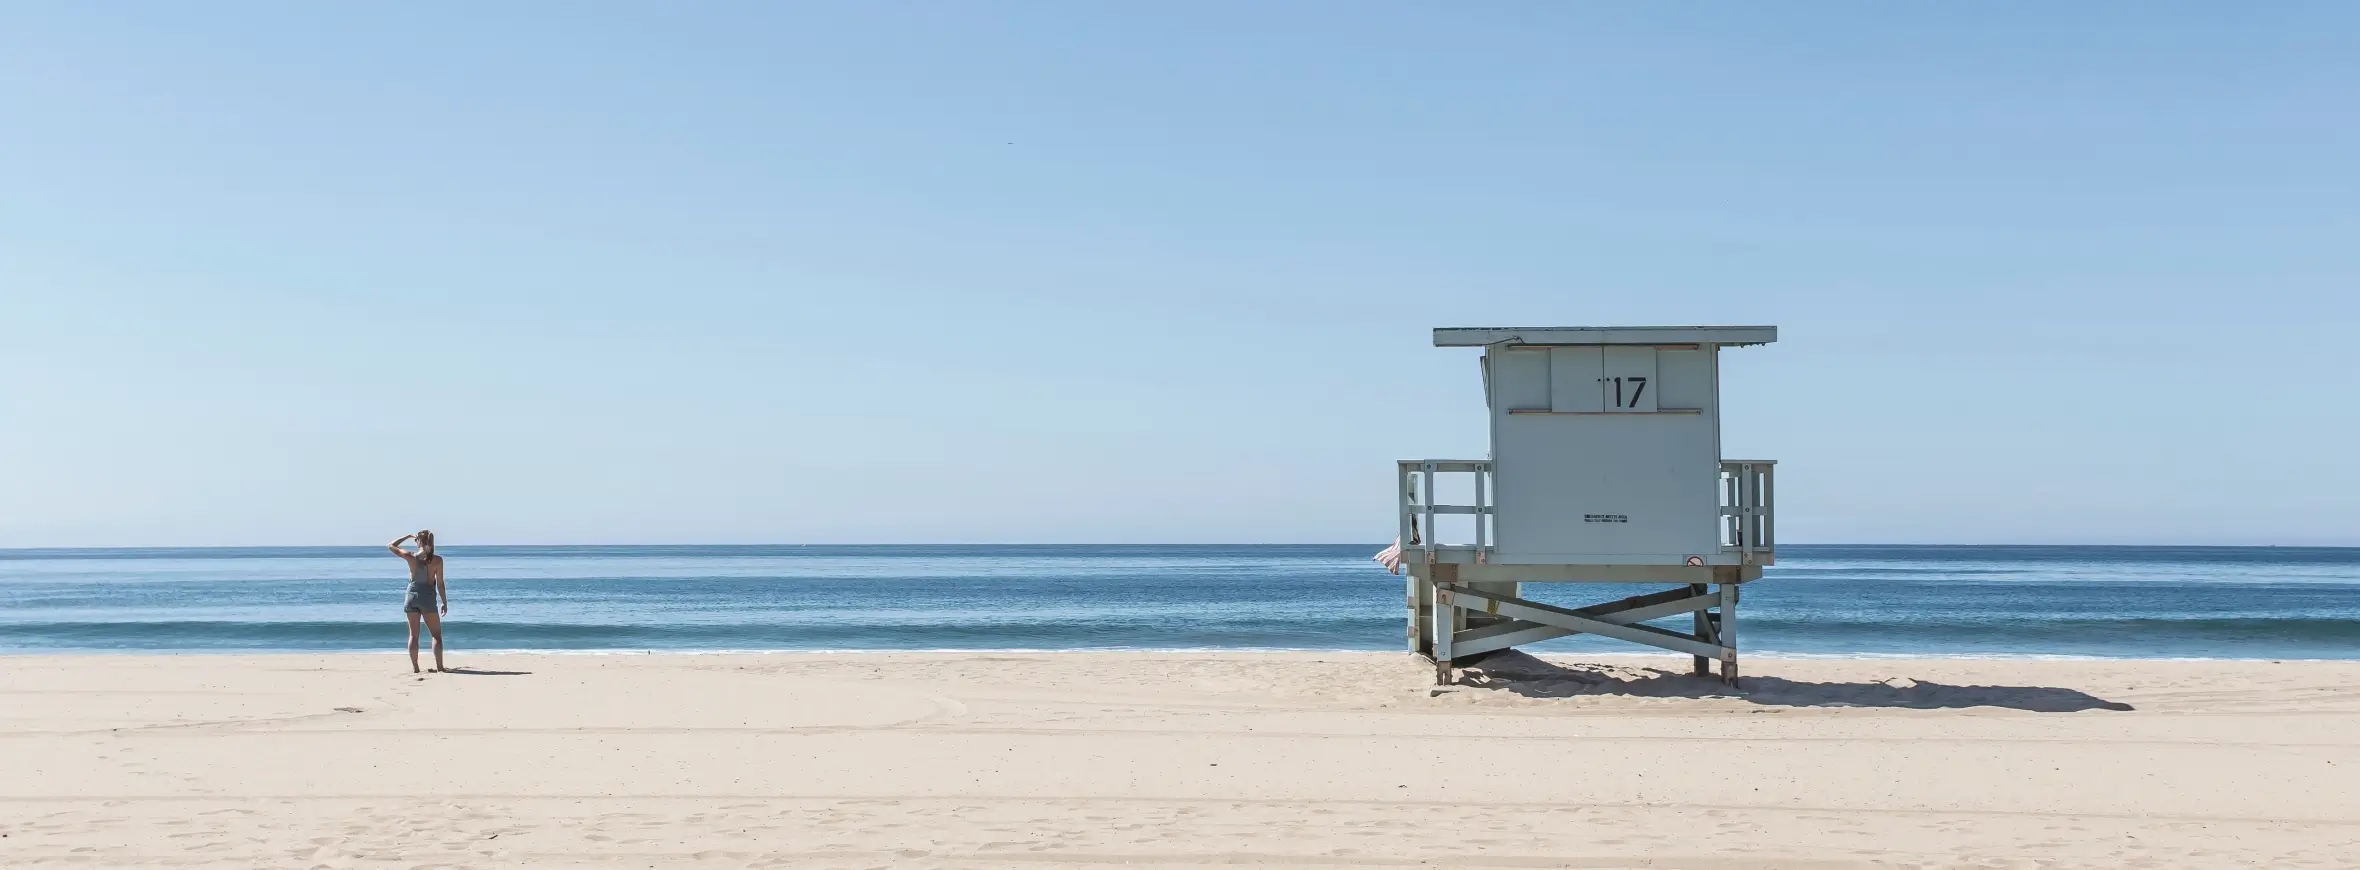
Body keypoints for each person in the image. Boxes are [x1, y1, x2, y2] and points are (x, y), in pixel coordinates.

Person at [387, 530, 448, 673]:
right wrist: (444, 601)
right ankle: (440, 667)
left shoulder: (411, 557)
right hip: (427, 597)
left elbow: (391, 545)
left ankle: (416, 668)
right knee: (436, 635)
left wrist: (407, 536)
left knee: (413, 635)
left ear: (418, 541)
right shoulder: (437, 560)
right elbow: (440, 583)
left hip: (412, 596)